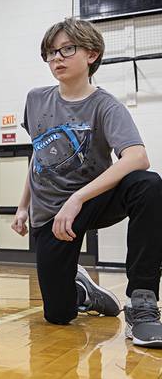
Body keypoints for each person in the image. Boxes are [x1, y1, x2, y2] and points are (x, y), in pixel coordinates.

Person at [12, 17, 162, 348]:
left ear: (91, 54)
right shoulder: (36, 99)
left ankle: (142, 303)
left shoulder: (106, 105)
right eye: (50, 53)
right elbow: (39, 154)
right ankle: (83, 291)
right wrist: (23, 206)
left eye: (67, 49)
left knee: (148, 184)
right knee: (59, 315)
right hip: (50, 213)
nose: (56, 59)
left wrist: (78, 198)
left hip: (93, 201)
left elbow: (137, 157)